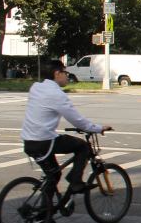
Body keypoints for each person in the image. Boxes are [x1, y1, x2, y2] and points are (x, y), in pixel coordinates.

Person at [21, 59, 112, 194]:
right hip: (44, 141)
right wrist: (98, 128)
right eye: (65, 73)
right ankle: (75, 181)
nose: (67, 76)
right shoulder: (56, 94)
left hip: (29, 141)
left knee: (54, 175)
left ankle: (46, 206)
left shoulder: (35, 87)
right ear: (57, 73)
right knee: (83, 147)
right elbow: (77, 120)